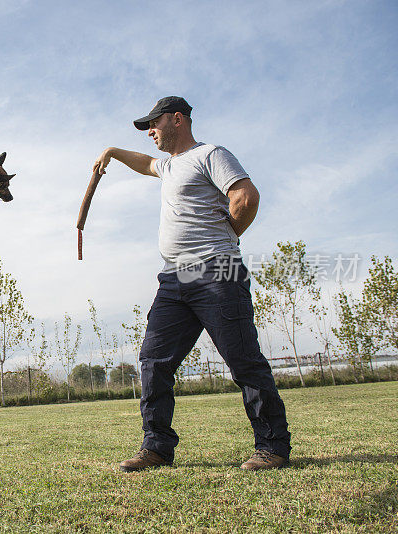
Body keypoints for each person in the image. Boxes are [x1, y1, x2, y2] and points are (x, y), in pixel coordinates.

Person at [93, 96, 291, 471]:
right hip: (174, 276)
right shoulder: (169, 167)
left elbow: (245, 196)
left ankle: (273, 447)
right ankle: (156, 447)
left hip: (217, 269)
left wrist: (226, 235)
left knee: (243, 360)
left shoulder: (211, 154)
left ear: (178, 119)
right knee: (154, 360)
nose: (150, 132)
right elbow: (145, 164)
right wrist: (112, 152)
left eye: (154, 123)